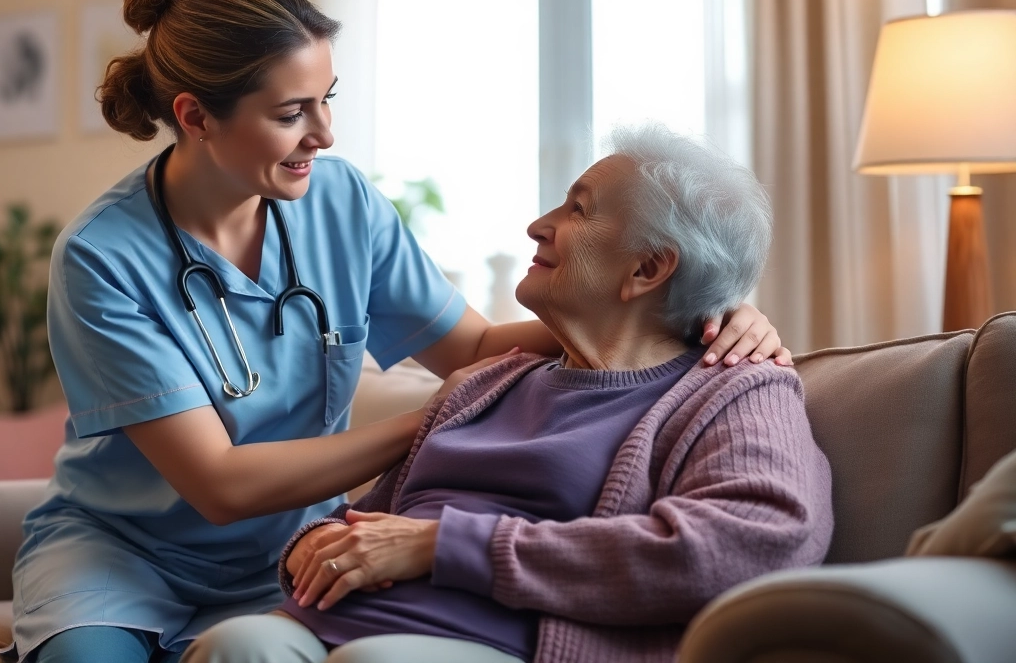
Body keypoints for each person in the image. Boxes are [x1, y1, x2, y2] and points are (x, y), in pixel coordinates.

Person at [8, 0, 791, 663]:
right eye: (291, 113)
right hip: (127, 554)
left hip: (292, 540)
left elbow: (475, 345)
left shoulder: (338, 201)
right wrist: (451, 417)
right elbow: (219, 483)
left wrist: (697, 309)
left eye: (328, 99)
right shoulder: (102, 257)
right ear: (195, 116)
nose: (324, 133)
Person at [183, 125, 834, 663]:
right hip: (330, 625)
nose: (537, 225)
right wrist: (312, 546)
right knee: (234, 645)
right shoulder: (493, 380)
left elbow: (751, 543)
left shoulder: (736, 389)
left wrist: (442, 546)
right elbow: (368, 519)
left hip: (498, 644)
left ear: (647, 268)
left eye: (578, 209)